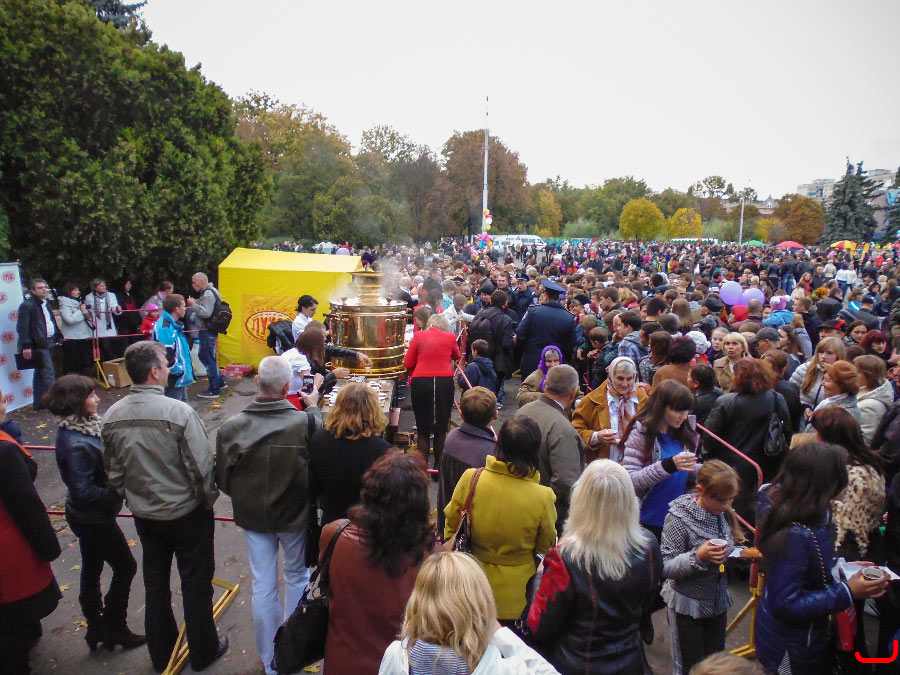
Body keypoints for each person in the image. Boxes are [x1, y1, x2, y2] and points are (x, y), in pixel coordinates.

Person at [101, 341, 226, 672]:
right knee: (196, 583)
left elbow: (113, 472)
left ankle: (163, 655)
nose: (170, 368)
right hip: (186, 513)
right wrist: (206, 501)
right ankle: (203, 650)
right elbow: (200, 468)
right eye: (165, 364)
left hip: (145, 516)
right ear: (154, 372)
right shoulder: (178, 412)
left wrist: (133, 498)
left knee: (155, 584)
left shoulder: (112, 415)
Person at [215, 356, 322, 675]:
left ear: (257, 382)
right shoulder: (305, 423)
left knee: (263, 583)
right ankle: (291, 655)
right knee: (296, 577)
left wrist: (248, 497)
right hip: (294, 515)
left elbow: (223, 479)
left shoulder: (232, 427)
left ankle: (270, 661)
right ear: (288, 386)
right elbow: (318, 468)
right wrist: (314, 409)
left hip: (254, 516)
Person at [755, 442, 888, 673]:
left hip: (804, 640)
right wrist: (848, 591)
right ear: (826, 483)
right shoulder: (795, 534)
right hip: (790, 649)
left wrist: (841, 567)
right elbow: (784, 603)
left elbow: (807, 568)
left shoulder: (813, 513)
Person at [527, 460, 662, 674]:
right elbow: (648, 602)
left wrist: (539, 577)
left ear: (580, 501)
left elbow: (539, 627)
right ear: (629, 502)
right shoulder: (649, 546)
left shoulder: (565, 558)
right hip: (631, 662)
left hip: (577, 664)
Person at [47, 375, 144, 654]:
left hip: (88, 517)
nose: (97, 399)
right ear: (77, 402)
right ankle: (114, 626)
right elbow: (84, 491)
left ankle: (96, 627)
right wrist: (119, 492)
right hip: (93, 520)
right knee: (125, 567)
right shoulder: (75, 443)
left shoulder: (84, 428)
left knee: (92, 567)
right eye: (91, 395)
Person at [321, 452, 435, 675]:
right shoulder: (433, 561)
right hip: (397, 668)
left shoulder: (334, 535)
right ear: (420, 504)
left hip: (342, 662)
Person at [443, 417, 557, 622]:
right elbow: (545, 544)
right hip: (517, 595)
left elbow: (451, 521)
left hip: (469, 585)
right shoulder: (543, 496)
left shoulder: (472, 477)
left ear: (500, 444)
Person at [379, 552, 560, 674]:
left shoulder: (396, 657)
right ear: (480, 607)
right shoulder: (501, 668)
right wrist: (500, 634)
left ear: (418, 604)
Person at [661, 461, 743, 674]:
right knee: (690, 666)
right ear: (701, 490)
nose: (726, 505)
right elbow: (666, 567)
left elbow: (729, 540)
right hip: (687, 607)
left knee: (715, 664)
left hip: (717, 603)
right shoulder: (679, 518)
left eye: (731, 499)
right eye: (721, 500)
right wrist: (698, 557)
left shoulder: (722, 513)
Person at [0, 401, 61, 674]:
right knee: (13, 625)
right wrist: (48, 546)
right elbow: (26, 506)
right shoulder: (5, 451)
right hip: (10, 551)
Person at [703, 358, 792, 523]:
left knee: (734, 511)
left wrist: (707, 460)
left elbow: (710, 436)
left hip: (733, 464)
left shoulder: (726, 401)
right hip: (768, 463)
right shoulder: (776, 398)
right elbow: (787, 430)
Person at [623, 380, 700, 540]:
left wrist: (708, 471)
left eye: (686, 410)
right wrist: (668, 466)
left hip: (676, 521)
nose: (683, 416)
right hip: (646, 522)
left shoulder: (683, 434)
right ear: (661, 407)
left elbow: (684, 470)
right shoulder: (641, 434)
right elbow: (630, 479)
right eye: (678, 410)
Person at [308, 382, 391, 527]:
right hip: (368, 525)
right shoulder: (381, 449)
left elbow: (313, 486)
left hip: (331, 524)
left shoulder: (318, 440)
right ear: (372, 410)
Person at [516, 365, 585, 532]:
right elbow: (566, 482)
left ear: (545, 384)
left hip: (518, 503)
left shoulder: (523, 411)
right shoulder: (563, 428)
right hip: (545, 519)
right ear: (573, 393)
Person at [437, 386, 497, 533]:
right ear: (495, 415)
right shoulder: (492, 453)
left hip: (448, 521)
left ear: (462, 415)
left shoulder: (451, 438)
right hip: (473, 531)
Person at [404, 313, 460, 469]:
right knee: (441, 427)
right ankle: (438, 467)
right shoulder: (450, 337)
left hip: (421, 382)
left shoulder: (418, 336)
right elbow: (456, 355)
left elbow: (408, 362)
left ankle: (422, 468)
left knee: (422, 427)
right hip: (444, 382)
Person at [573, 356, 649, 463]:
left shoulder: (642, 399)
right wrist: (596, 437)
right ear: (611, 377)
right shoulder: (592, 400)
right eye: (620, 378)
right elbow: (575, 432)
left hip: (635, 464)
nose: (625, 384)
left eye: (629, 379)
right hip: (603, 465)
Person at [514, 279, 576, 376]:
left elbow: (520, 334)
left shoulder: (533, 311)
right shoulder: (568, 317)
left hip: (532, 360)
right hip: (555, 362)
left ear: (545, 296)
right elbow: (570, 344)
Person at [16, 277, 61, 408]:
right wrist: (26, 345)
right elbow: (23, 327)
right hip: (37, 343)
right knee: (48, 373)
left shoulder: (45, 303)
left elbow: (50, 321)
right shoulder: (27, 305)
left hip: (48, 340)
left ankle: (40, 402)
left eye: (45, 287)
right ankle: (56, 403)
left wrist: (58, 335)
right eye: (40, 288)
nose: (44, 290)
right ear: (33, 290)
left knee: (40, 374)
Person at [187, 272, 227, 398]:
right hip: (210, 329)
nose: (193, 285)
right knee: (208, 356)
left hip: (207, 329)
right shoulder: (212, 291)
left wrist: (193, 304)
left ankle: (214, 389)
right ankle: (220, 382)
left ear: (201, 281)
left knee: (207, 357)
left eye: (194, 282)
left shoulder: (208, 294)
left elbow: (206, 313)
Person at [150, 294, 194, 402]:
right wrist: (180, 370)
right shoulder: (165, 328)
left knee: (184, 409)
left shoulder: (173, 325)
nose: (185, 308)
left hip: (179, 379)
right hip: (172, 379)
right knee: (174, 409)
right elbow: (166, 355)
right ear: (177, 309)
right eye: (183, 306)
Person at [789, 336, 846, 411]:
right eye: (821, 352)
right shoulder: (804, 368)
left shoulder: (843, 375)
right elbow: (791, 393)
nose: (823, 356)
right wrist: (805, 407)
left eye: (829, 353)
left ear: (838, 355)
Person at [853, 354, 894, 444]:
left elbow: (866, 441)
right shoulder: (861, 392)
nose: (853, 375)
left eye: (857, 372)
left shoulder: (872, 406)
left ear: (869, 376)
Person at [807, 359, 861, 426]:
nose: (822, 383)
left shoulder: (843, 416)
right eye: (823, 379)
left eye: (827, 380)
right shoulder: (828, 402)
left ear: (841, 386)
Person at [57, 282, 93, 375]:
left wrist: (86, 313)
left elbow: (88, 317)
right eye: (75, 290)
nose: (78, 292)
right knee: (72, 363)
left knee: (81, 363)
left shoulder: (78, 302)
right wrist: (80, 311)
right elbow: (69, 320)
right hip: (72, 338)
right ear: (69, 291)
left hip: (82, 336)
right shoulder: (64, 305)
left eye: (78, 290)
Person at [84, 278, 122, 361]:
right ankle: (101, 367)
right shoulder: (89, 297)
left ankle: (111, 365)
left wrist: (117, 309)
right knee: (100, 350)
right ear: (95, 287)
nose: (104, 287)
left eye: (104, 285)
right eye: (101, 286)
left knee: (108, 348)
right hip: (96, 326)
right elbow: (87, 312)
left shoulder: (111, 295)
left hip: (108, 326)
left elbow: (115, 309)